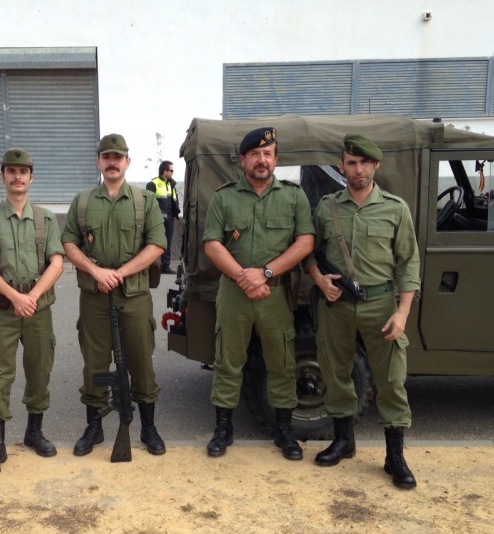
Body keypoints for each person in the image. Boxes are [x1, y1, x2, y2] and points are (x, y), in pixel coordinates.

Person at [305, 133, 421, 489]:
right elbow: (310, 252)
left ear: (375, 166)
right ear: (342, 166)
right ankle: (344, 441)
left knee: (390, 380)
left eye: (364, 163)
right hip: (337, 304)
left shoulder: (395, 208)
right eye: (351, 163)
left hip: (381, 304)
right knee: (336, 371)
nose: (357, 169)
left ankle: (394, 455)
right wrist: (319, 280)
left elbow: (409, 264)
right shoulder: (327, 207)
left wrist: (402, 313)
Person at [202, 126, 315, 460]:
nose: (261, 160)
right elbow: (212, 244)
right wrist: (243, 277)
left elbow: (305, 242)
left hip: (275, 294)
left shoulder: (294, 197)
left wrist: (265, 273)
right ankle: (223, 430)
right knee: (227, 362)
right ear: (243, 160)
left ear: (276, 159)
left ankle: (284, 431)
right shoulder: (224, 197)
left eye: (268, 154)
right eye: (255, 154)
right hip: (235, 294)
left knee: (281, 363)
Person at [62, 133, 167, 456]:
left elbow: (157, 245)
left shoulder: (144, 200)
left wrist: (119, 273)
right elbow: (69, 244)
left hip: (133, 296)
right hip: (94, 296)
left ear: (127, 162)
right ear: (98, 161)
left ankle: (148, 427)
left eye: (117, 157)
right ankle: (94, 427)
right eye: (106, 157)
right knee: (94, 361)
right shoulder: (82, 202)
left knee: (140, 361)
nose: (112, 162)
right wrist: (97, 272)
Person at [0, 148, 64, 478]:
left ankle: (34, 432)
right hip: (4, 309)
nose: (17, 176)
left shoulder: (46, 218)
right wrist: (15, 297)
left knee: (40, 367)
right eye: (11, 171)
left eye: (23, 171)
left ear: (31, 177)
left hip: (38, 308)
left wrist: (33, 296)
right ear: (2, 177)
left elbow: (57, 261)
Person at [146, 161, 181, 274]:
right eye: (171, 170)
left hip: (169, 217)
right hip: (157, 218)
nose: (173, 172)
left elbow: (174, 200)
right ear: (164, 171)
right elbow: (149, 203)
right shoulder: (153, 184)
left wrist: (176, 213)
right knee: (154, 241)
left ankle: (165, 266)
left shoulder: (171, 184)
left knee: (168, 242)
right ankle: (152, 266)